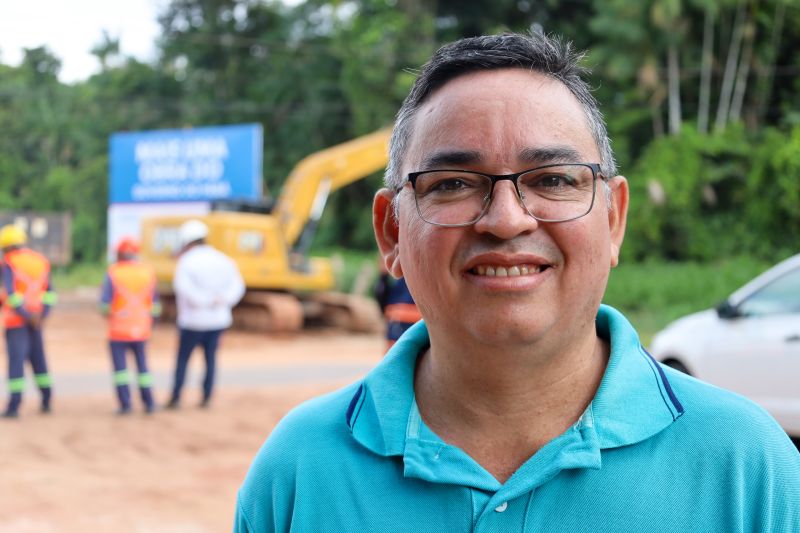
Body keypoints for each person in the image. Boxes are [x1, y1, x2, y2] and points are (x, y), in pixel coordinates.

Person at [235, 32, 800, 531]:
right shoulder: (301, 469)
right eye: (453, 183)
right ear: (390, 232)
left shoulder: (746, 468)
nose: (506, 219)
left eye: (553, 179)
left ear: (613, 220)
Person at [166, 219, 244, 409]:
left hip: (193, 321)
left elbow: (183, 288)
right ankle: (207, 397)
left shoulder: (186, 261)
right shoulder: (223, 259)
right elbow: (238, 286)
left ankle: (176, 397)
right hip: (218, 320)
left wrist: (205, 301)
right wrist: (221, 300)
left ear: (186, 240)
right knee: (210, 359)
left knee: (183, 359)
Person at [99, 236, 161, 415]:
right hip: (142, 330)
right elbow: (155, 305)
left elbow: (105, 305)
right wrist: (149, 324)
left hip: (118, 331)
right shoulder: (148, 272)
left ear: (119, 253)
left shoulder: (113, 272)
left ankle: (125, 404)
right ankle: (148, 402)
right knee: (143, 369)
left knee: (121, 371)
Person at [1, 224, 56, 418]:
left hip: (17, 322)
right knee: (39, 361)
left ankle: (14, 406)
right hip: (37, 321)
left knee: (17, 363)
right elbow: (49, 293)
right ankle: (47, 399)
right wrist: (41, 315)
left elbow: (11, 294)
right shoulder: (40, 261)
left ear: (6, 246)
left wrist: (25, 314)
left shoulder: (9, 263)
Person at [373, 267, 421, 351]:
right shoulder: (398, 281)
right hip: (398, 326)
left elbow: (381, 297)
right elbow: (381, 296)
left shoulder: (399, 279)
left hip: (401, 325)